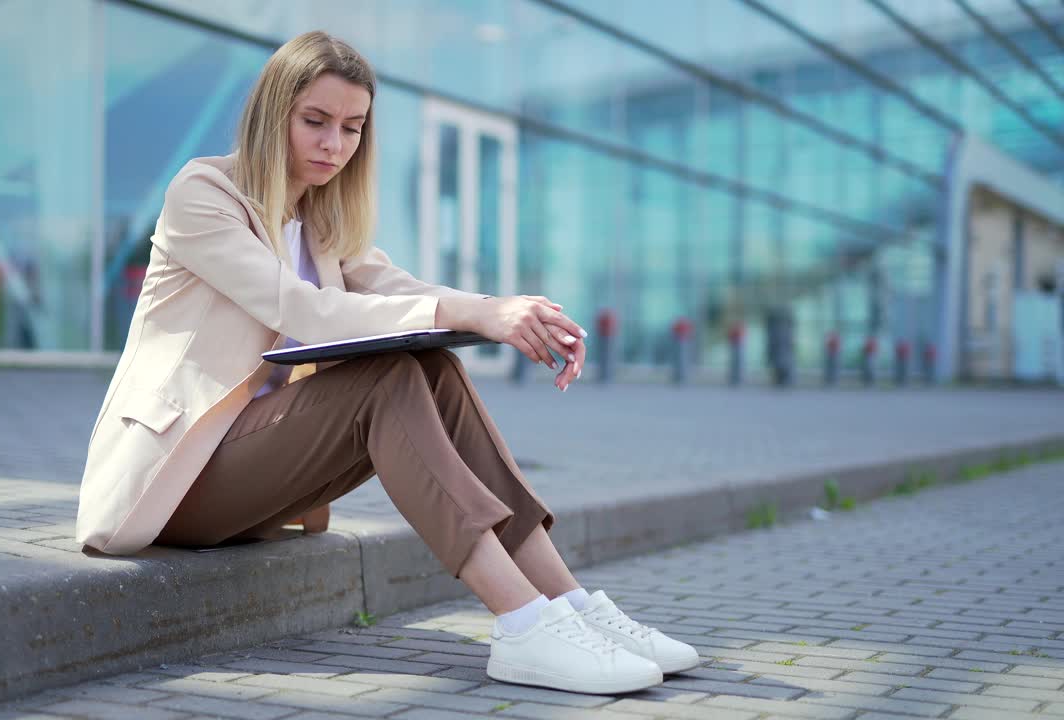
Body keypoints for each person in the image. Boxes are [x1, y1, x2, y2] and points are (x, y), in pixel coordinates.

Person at [75, 30, 699, 695]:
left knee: (430, 366)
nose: (333, 144)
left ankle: (571, 607)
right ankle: (523, 623)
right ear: (271, 114)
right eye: (315, 121)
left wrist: (499, 309)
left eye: (351, 128)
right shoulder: (203, 194)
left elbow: (400, 290)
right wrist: (477, 316)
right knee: (388, 375)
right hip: (178, 479)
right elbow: (302, 309)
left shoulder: (315, 218)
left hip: (257, 470)